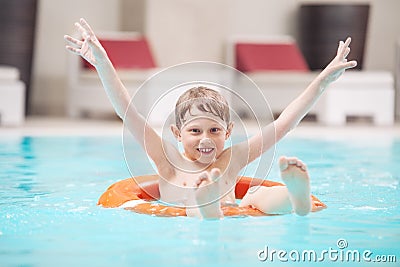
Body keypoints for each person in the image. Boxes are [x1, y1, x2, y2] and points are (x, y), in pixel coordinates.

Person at [64, 18, 357, 219]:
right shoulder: (166, 160)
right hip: (193, 216)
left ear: (228, 131)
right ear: (177, 133)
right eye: (195, 131)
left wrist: (321, 82)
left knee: (256, 197)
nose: (205, 139)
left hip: (223, 216)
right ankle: (207, 202)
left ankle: (297, 201)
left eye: (214, 129)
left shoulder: (233, 157)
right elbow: (126, 110)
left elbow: (283, 124)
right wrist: (103, 63)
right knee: (204, 200)